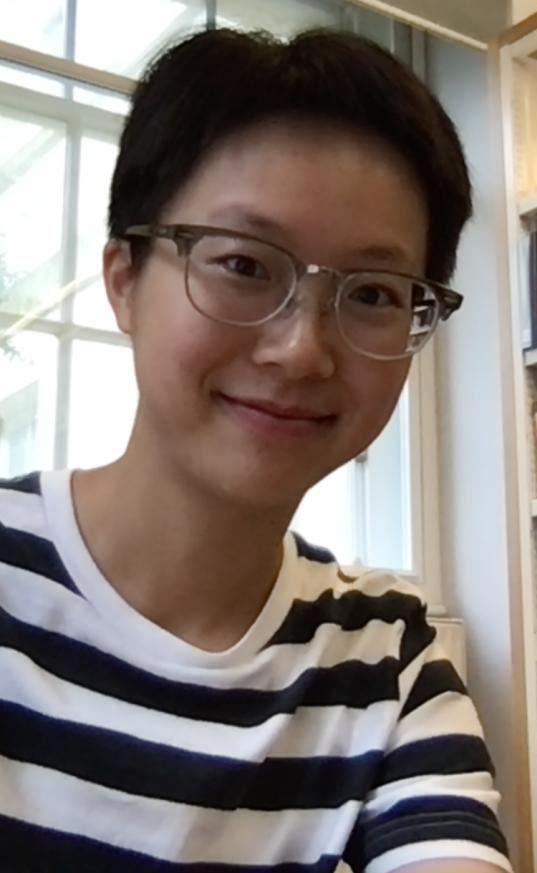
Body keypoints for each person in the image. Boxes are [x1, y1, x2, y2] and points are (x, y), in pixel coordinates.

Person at [0, 26, 510, 873]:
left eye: (373, 293)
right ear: (124, 279)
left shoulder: (387, 655)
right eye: (243, 265)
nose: (302, 350)